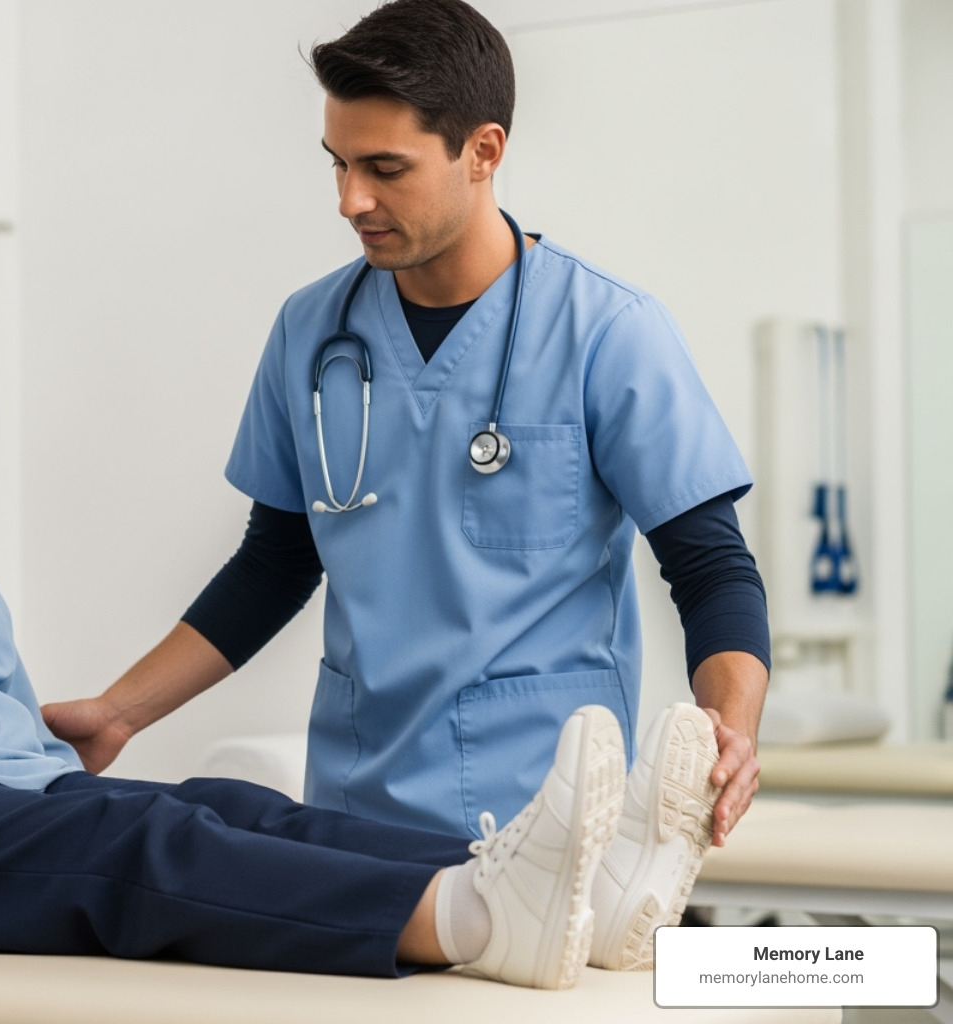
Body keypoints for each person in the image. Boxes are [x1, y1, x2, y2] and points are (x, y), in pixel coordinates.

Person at [0, 211, 725, 1024]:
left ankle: (568, 889)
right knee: (134, 840)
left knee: (227, 803)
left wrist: (62, 746)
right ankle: (473, 917)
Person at [41, 0, 768, 974]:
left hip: (544, 824)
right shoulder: (312, 332)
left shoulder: (606, 332)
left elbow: (710, 563)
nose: (350, 199)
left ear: (483, 149)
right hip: (354, 824)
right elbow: (276, 560)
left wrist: (730, 729)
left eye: (385, 168)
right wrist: (122, 711)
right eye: (338, 164)